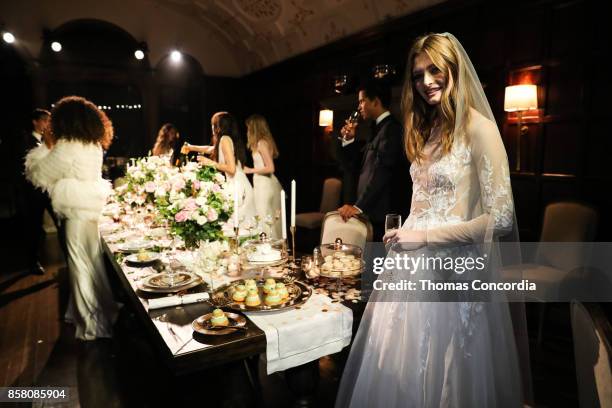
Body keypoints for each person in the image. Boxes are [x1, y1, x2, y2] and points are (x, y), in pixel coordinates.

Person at [335, 33, 530, 407]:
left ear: (454, 69)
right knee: (400, 368)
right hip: (411, 269)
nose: (426, 81)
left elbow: (501, 219)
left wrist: (424, 235)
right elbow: (425, 201)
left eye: (434, 70)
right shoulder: (428, 131)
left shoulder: (480, 129)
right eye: (418, 74)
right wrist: (406, 231)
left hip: (454, 274)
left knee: (447, 372)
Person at [25, 96, 119, 340]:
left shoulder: (67, 145)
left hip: (75, 213)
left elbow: (38, 174)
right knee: (93, 263)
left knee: (79, 266)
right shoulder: (93, 144)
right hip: (91, 209)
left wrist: (45, 147)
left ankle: (90, 324)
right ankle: (99, 311)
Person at [336, 82, 410, 241]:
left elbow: (383, 171)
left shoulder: (392, 129)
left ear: (375, 101)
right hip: (372, 212)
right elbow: (354, 166)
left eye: (362, 101)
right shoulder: (375, 129)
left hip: (383, 213)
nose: (359, 106)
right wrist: (348, 140)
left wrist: (358, 206)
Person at [183, 112, 256, 225]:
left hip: (238, 185)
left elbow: (232, 169)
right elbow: (210, 149)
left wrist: (209, 162)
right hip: (238, 182)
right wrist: (191, 147)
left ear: (219, 126)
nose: (212, 128)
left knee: (240, 226)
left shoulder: (225, 139)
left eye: (213, 124)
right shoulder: (226, 139)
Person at [16, 109, 64, 275]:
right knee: (35, 228)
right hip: (33, 193)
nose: (47, 124)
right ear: (35, 122)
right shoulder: (25, 140)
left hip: (51, 190)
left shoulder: (51, 140)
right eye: (44, 120)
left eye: (48, 121)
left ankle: (68, 258)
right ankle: (33, 262)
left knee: (61, 223)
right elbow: (25, 168)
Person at [243, 114, 282, 238]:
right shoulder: (264, 142)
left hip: (264, 185)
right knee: (266, 217)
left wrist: (250, 170)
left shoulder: (261, 143)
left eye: (249, 127)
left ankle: (268, 247)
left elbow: (270, 168)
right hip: (262, 183)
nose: (247, 130)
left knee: (263, 217)